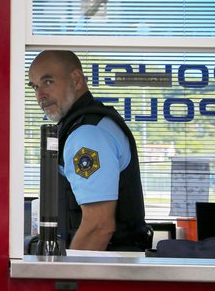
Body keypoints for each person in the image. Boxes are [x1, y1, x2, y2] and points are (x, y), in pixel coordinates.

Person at [28, 50, 150, 251]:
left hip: (103, 272)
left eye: (48, 82)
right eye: (35, 87)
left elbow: (99, 227)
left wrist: (67, 278)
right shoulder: (82, 126)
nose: (40, 95)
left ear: (76, 80)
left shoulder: (87, 135)